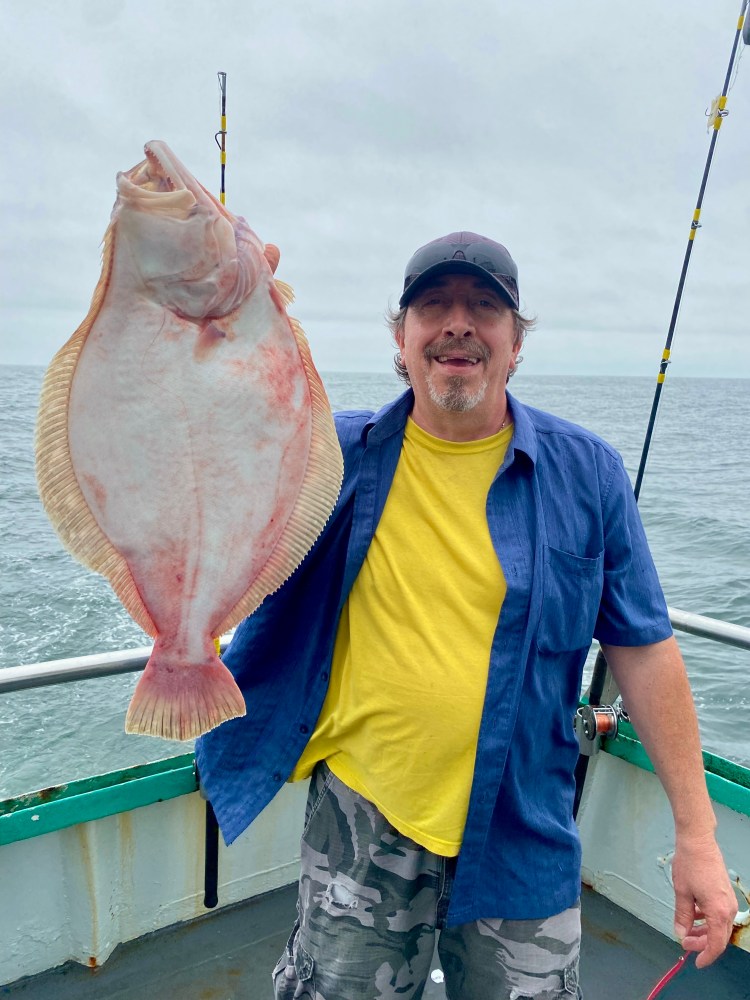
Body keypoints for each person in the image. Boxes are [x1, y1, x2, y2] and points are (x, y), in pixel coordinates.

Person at [196, 232, 737, 999]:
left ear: (516, 343)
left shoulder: (588, 474)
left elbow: (643, 651)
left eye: (485, 307)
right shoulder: (324, 454)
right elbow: (210, 453)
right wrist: (231, 314)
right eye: (433, 306)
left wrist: (698, 836)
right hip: (362, 820)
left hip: (525, 829)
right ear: (401, 335)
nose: (459, 324)